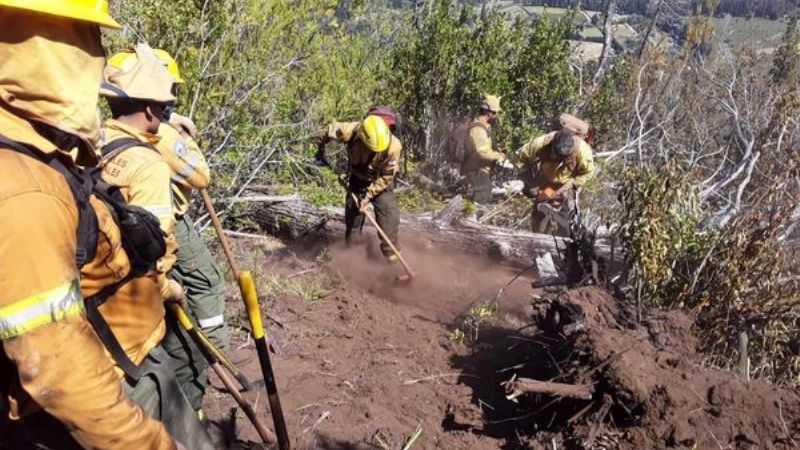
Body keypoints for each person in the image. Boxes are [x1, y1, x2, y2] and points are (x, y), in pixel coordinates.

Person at [0, 3, 181, 449]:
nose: (96, 55)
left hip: (123, 352)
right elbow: (58, 361)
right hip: (110, 384)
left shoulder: (37, 147)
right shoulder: (23, 188)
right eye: (86, 37)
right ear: (45, 43)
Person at [97, 43, 214, 450]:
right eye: (164, 107)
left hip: (101, 314)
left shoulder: (91, 141)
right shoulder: (147, 160)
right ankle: (200, 377)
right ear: (150, 111)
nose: (167, 114)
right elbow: (155, 252)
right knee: (167, 381)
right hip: (135, 326)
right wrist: (169, 289)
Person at [153, 49, 233, 418]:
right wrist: (185, 137)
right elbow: (201, 176)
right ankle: (212, 351)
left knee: (167, 292)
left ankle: (183, 352)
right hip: (170, 225)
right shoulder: (165, 135)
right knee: (207, 282)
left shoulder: (112, 130)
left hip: (140, 229)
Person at [316, 114, 403, 261]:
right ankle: (353, 260)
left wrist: (367, 196)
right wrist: (318, 147)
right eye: (371, 149)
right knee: (353, 222)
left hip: (380, 182)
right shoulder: (348, 131)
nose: (375, 152)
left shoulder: (394, 147)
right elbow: (327, 131)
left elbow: (387, 177)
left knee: (389, 221)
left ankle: (393, 260)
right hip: (358, 179)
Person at [516, 114, 595, 233]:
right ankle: (538, 240)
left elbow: (588, 173)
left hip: (567, 183)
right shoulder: (542, 143)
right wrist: (531, 182)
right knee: (539, 217)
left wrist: (572, 186)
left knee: (565, 221)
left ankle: (565, 243)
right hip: (544, 180)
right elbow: (521, 159)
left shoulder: (582, 151)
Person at [457, 94, 508, 205]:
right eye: (495, 113)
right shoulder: (478, 129)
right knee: (483, 192)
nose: (496, 116)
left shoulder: (483, 128)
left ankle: (470, 216)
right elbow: (483, 152)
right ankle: (471, 219)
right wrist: (499, 156)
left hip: (478, 170)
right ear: (489, 113)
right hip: (475, 170)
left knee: (484, 192)